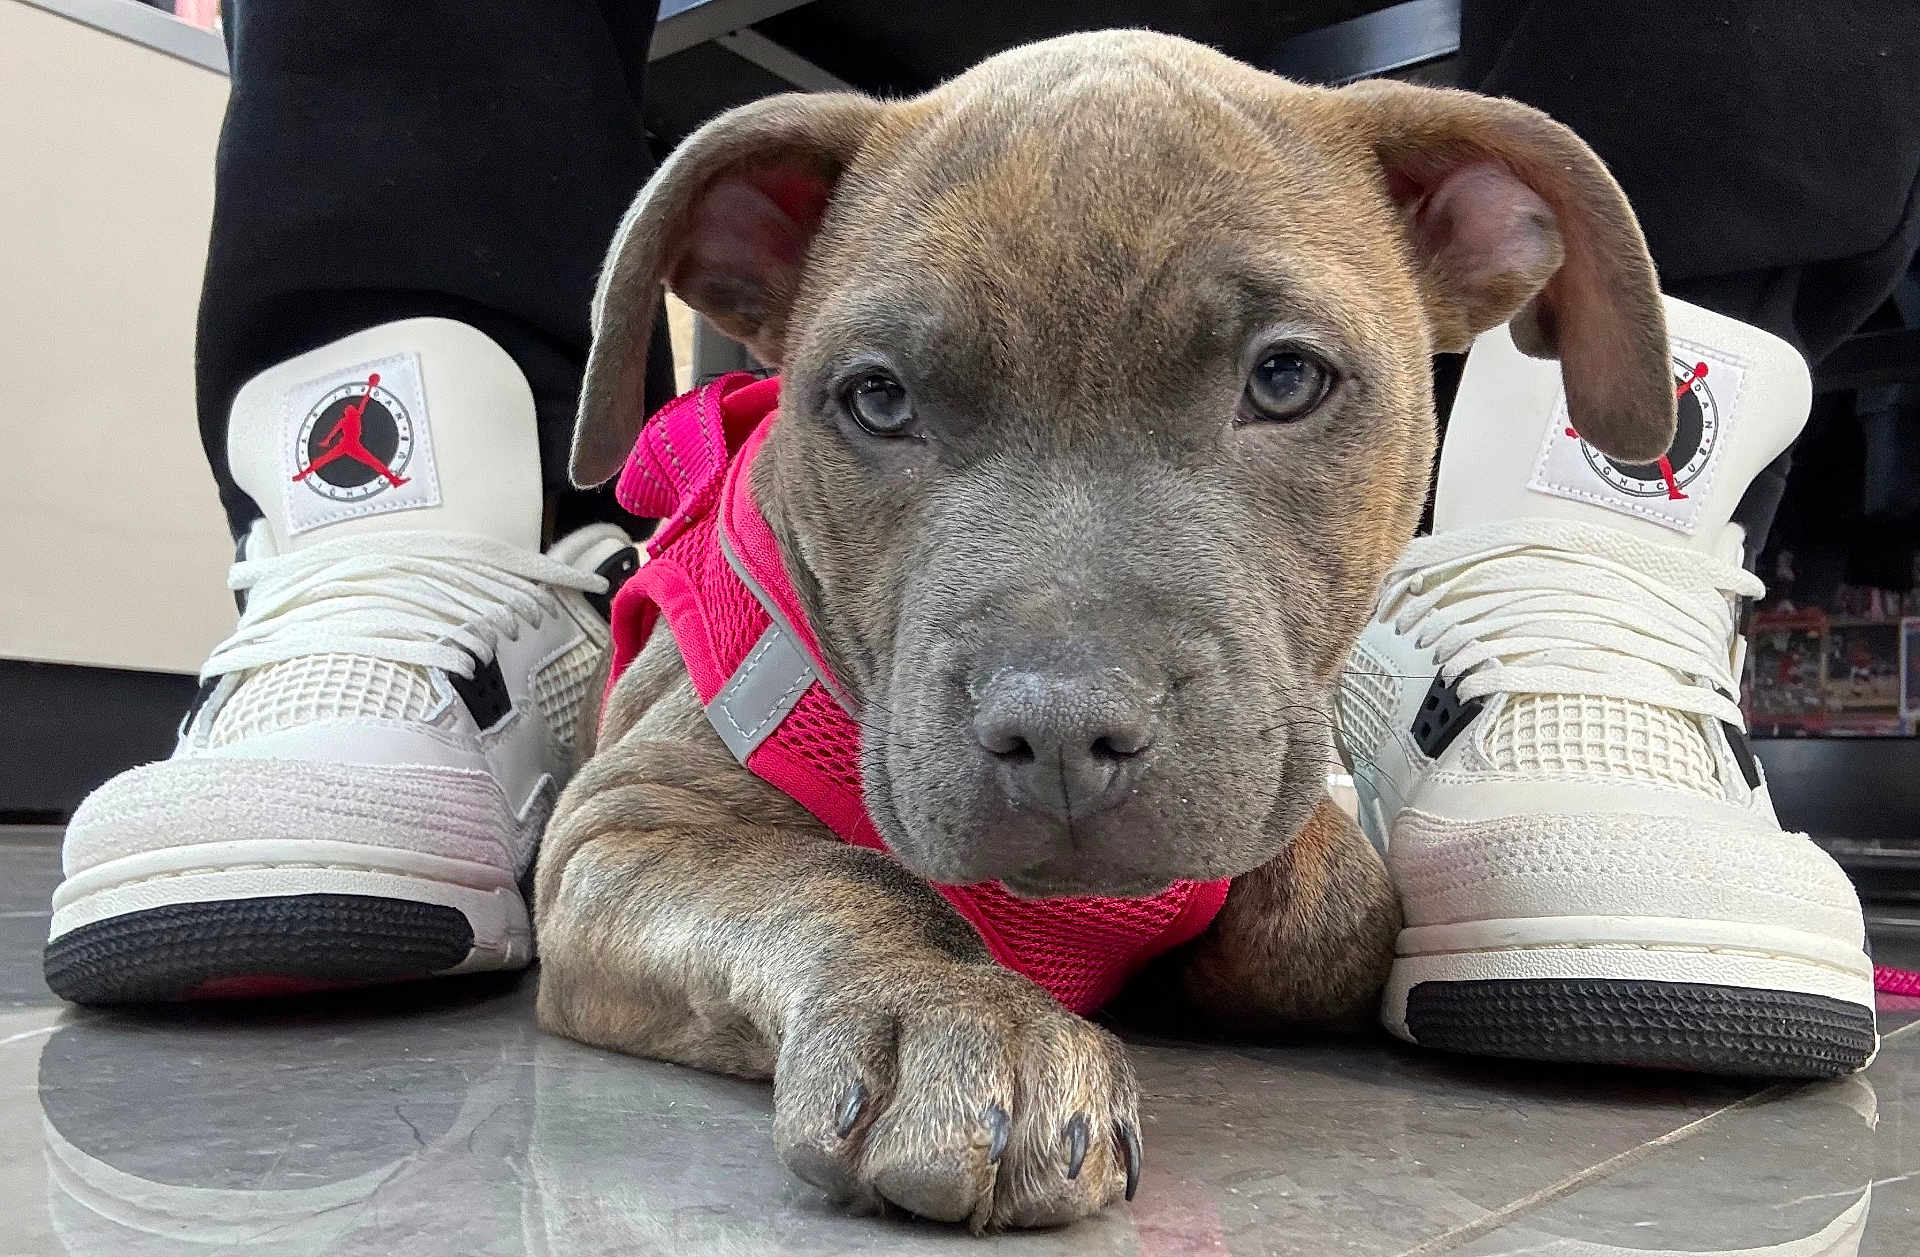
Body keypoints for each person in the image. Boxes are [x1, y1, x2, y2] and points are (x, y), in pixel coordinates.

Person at [41, 1, 1920, 1074]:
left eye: (1283, 377)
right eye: (880, 397)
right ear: (741, 265)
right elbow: (627, 881)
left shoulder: (1425, 207)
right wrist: (856, 971)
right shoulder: (767, 595)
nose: (1061, 695)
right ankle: (400, 519)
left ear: (1494, 245)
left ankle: (1566, 563)